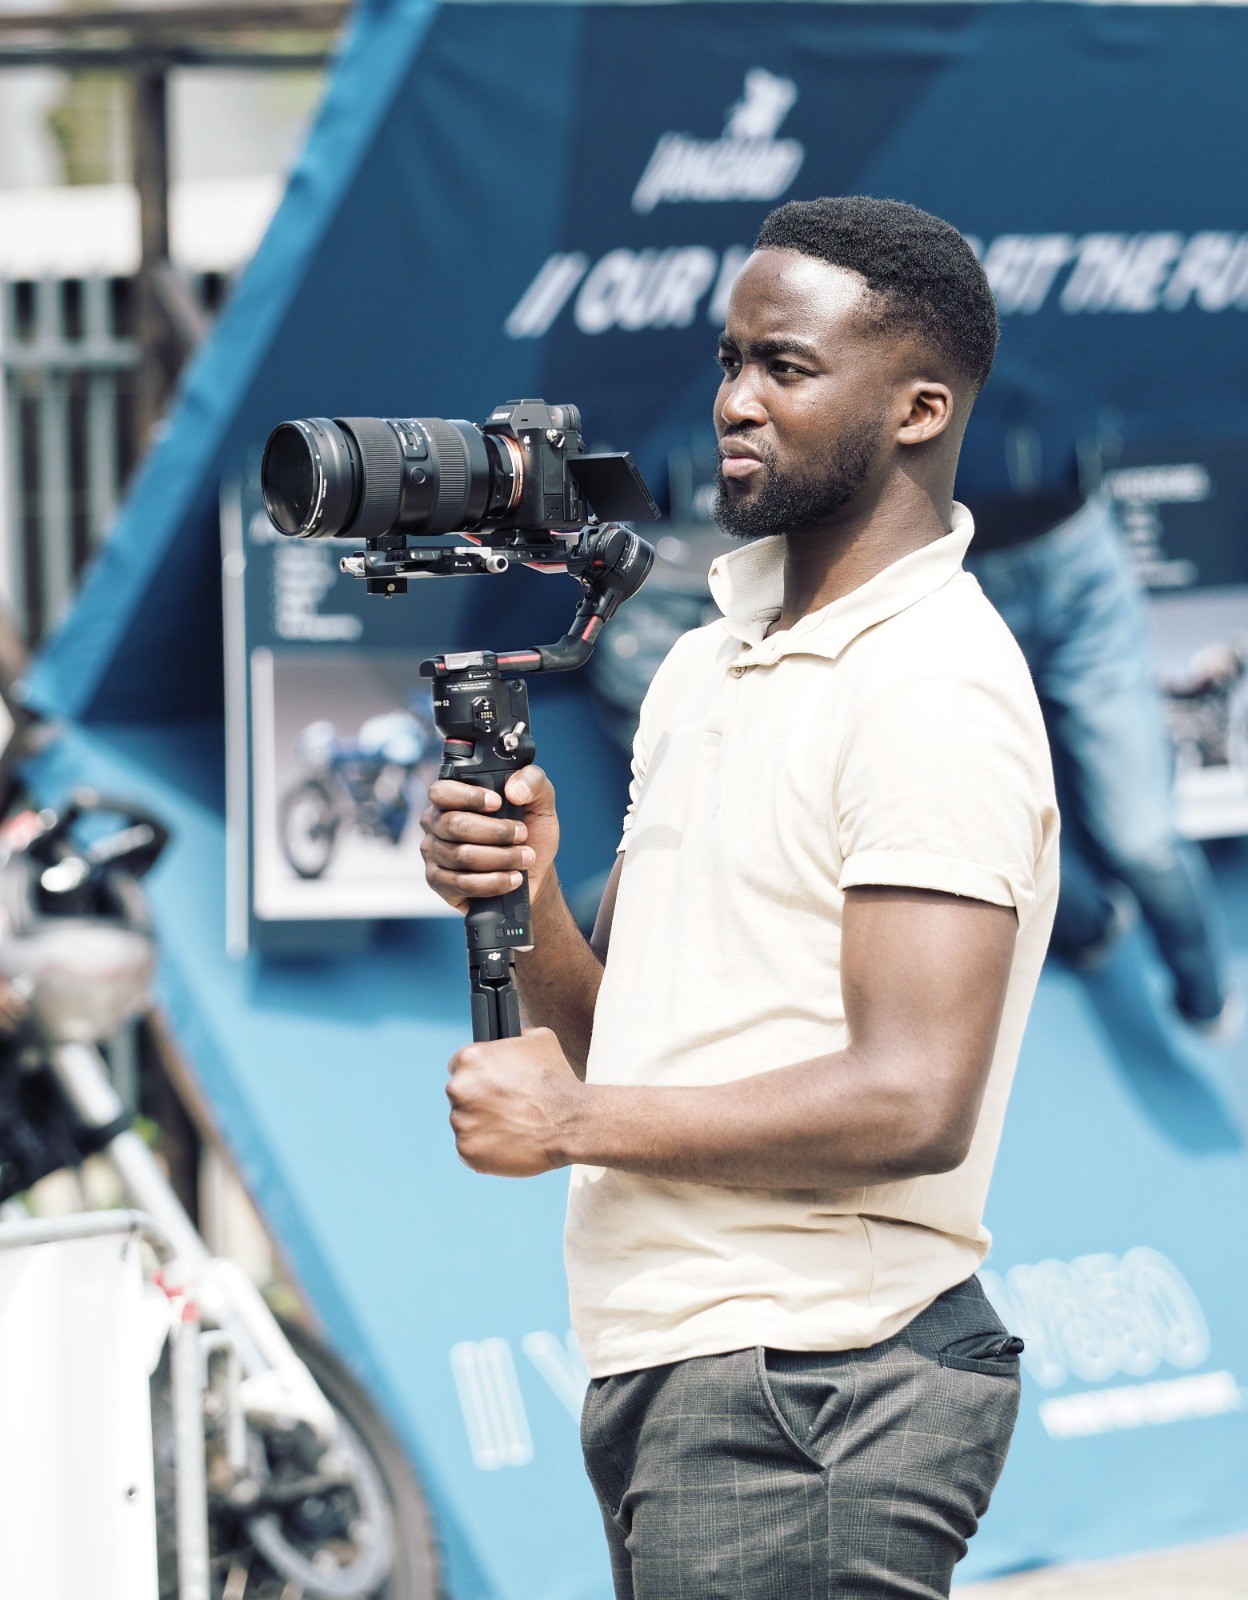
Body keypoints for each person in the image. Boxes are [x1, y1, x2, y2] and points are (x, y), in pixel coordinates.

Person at [420, 195, 1060, 1599]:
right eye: (729, 362)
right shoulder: (711, 664)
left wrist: (573, 1125)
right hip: (684, 1371)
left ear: (917, 408)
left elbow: (912, 1099)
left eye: (786, 365)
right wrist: (532, 902)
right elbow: (639, 1047)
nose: (734, 402)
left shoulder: (933, 688)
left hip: (819, 1390)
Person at [963, 490, 1239, 1035]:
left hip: (1072, 556)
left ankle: (1205, 993)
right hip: (943, 574)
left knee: (1141, 838)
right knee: (995, 823)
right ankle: (1089, 926)